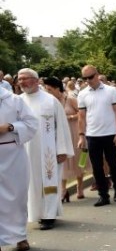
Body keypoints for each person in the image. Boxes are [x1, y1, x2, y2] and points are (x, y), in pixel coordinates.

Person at [18, 69, 73, 231]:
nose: (21, 82)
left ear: (36, 81)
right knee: (30, 183)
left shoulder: (50, 101)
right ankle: (34, 213)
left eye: (25, 79)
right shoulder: (18, 101)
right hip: (25, 150)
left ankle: (49, 215)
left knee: (48, 182)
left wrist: (62, 149)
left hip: (47, 151)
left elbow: (61, 126)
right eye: (19, 79)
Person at [77, 65, 116, 207]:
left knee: (113, 164)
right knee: (97, 167)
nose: (88, 80)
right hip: (92, 135)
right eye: (85, 78)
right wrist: (81, 135)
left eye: (90, 77)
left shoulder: (111, 91)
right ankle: (103, 195)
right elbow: (81, 117)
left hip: (110, 134)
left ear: (97, 75)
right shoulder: (82, 94)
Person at [0, 85, 39, 251]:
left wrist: (10, 127)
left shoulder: (14, 100)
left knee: (17, 196)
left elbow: (31, 123)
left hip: (12, 152)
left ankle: (19, 236)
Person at [44, 77, 86, 200]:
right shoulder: (49, 102)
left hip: (73, 132)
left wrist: (70, 117)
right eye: (46, 90)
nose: (48, 92)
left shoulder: (70, 99)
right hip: (58, 134)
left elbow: (82, 113)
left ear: (58, 88)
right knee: (62, 160)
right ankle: (63, 189)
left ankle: (80, 186)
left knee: (77, 159)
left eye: (50, 89)